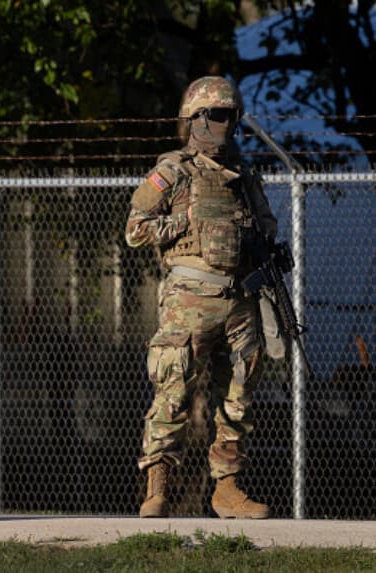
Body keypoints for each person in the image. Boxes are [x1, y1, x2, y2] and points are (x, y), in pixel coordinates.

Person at [125, 76, 276, 519]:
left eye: (229, 115)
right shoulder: (173, 170)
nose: (223, 124)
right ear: (193, 119)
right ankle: (157, 490)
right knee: (173, 391)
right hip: (189, 299)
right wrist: (182, 223)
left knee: (239, 396)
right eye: (214, 115)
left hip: (240, 299)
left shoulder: (243, 175)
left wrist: (257, 242)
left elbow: (267, 224)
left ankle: (227, 490)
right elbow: (135, 229)